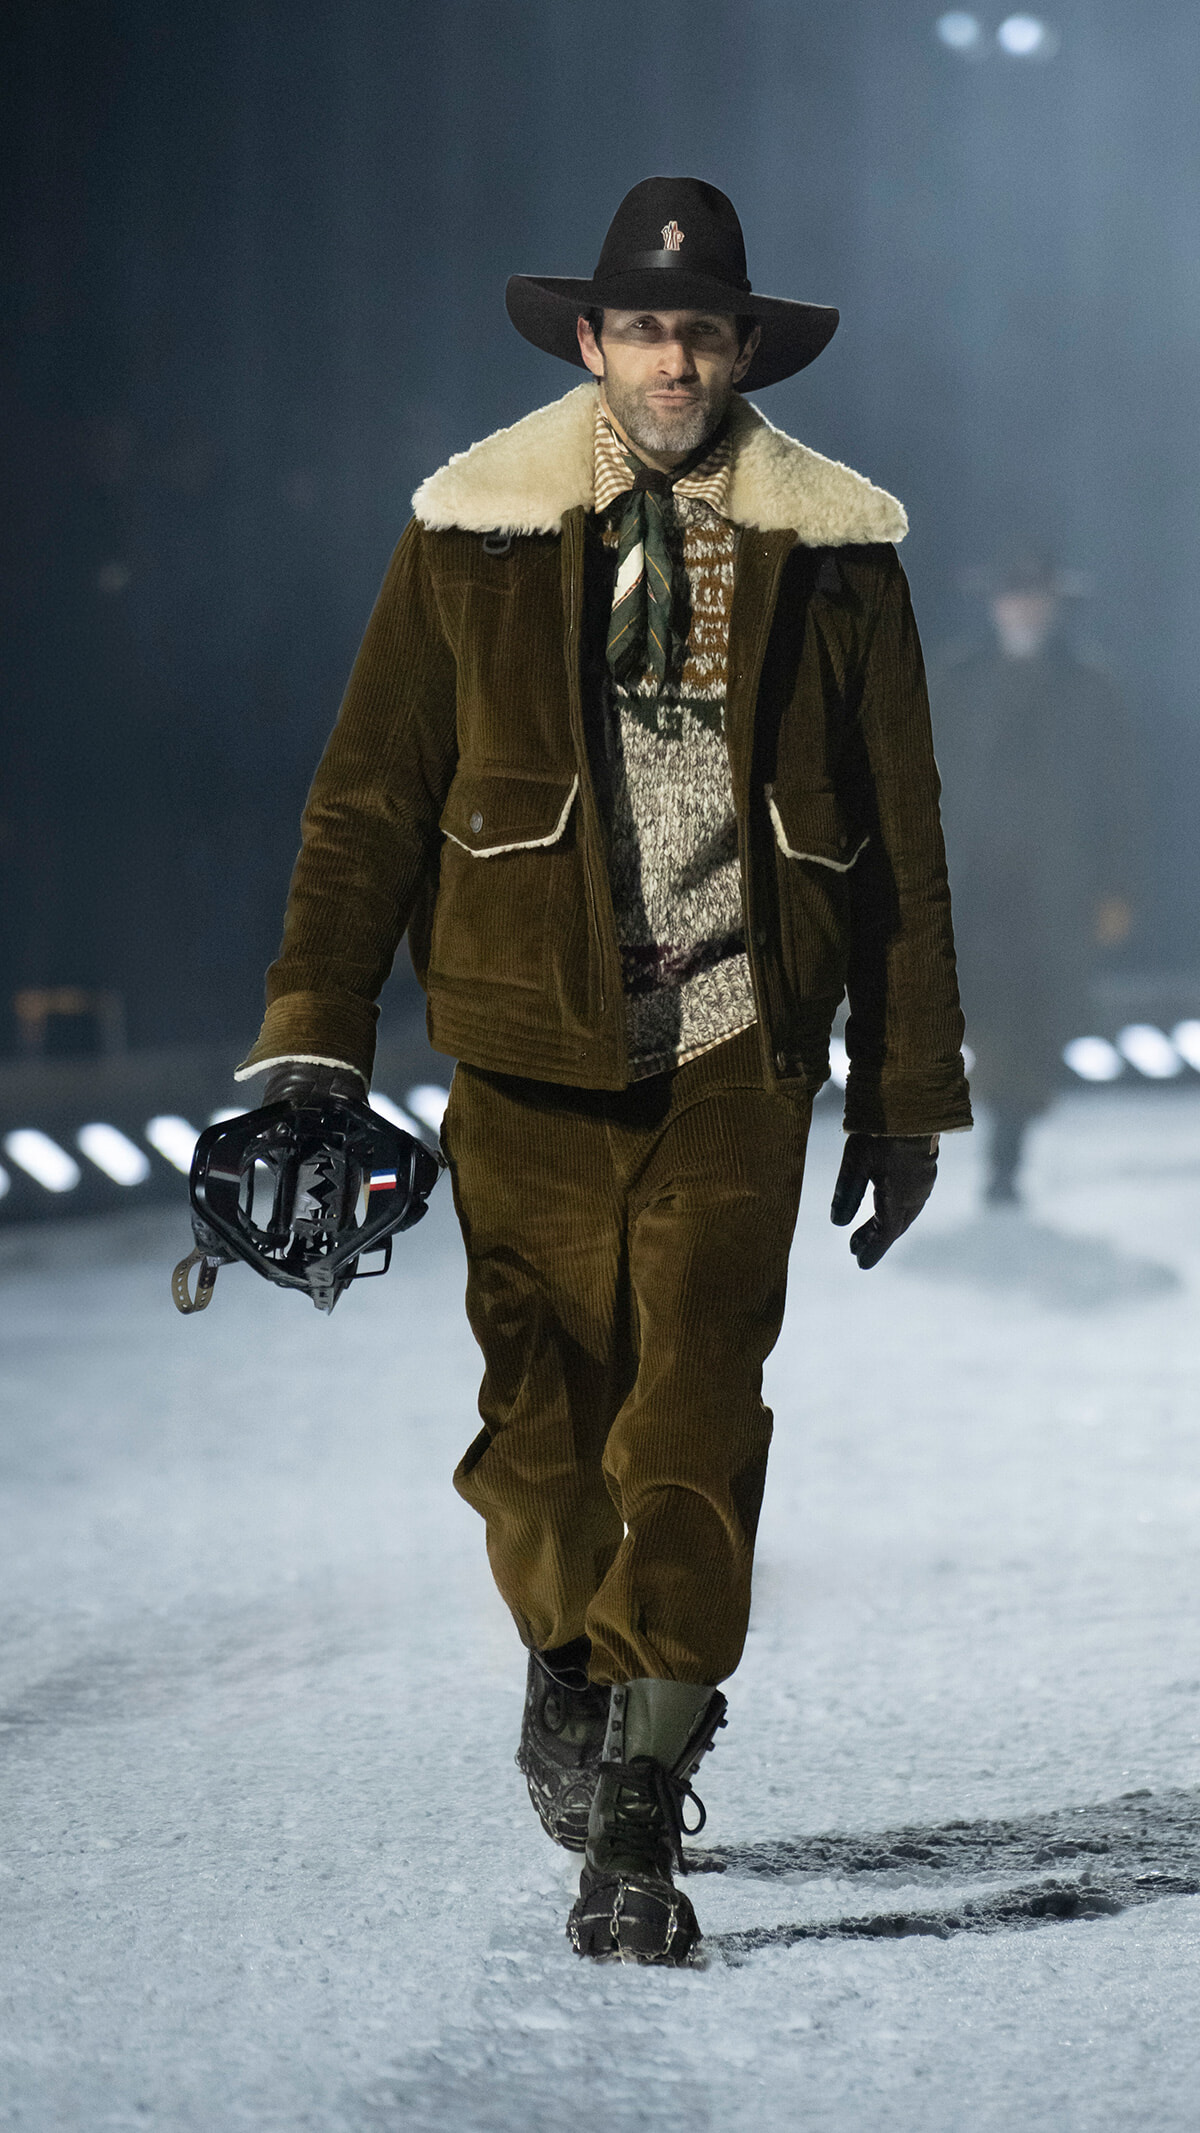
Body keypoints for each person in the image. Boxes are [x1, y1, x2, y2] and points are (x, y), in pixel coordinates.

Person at [235, 177, 972, 1964]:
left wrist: (903, 1086)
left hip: (740, 1047)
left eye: (702, 328)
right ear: (590, 340)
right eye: (642, 326)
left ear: (739, 348)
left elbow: (902, 841)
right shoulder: (472, 531)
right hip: (527, 1048)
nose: (671, 356)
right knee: (540, 1439)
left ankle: (644, 1788)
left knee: (696, 1417)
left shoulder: (836, 549)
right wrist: (311, 1041)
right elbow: (369, 802)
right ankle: (570, 1652)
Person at [932, 551, 1136, 1204]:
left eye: (1035, 597)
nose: (1023, 608)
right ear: (994, 605)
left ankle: (1006, 1152)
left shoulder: (1089, 688)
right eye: (1013, 596)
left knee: (1027, 1022)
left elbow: (1120, 799)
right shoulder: (957, 683)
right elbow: (913, 778)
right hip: (967, 886)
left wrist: (1116, 890)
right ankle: (966, 1132)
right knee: (965, 1012)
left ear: (1053, 607)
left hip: (1051, 892)